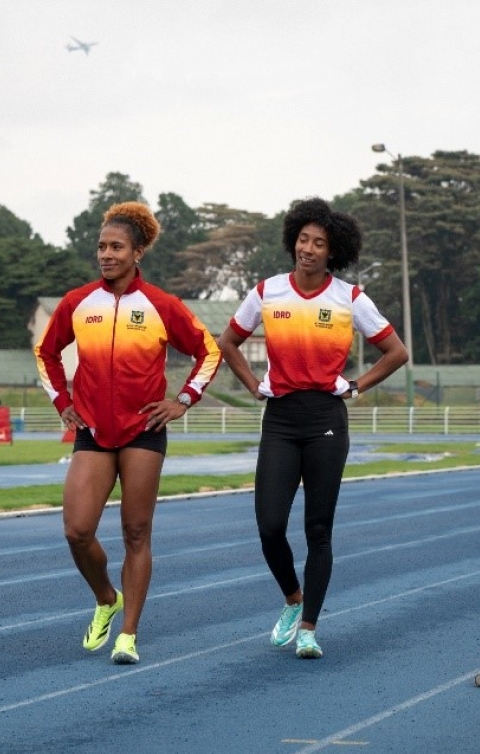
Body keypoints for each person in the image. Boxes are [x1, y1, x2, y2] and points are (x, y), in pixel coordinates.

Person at [218, 197, 408, 659]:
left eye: (318, 243)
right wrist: (252, 385)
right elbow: (227, 341)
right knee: (269, 525)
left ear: (332, 251)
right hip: (280, 419)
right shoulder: (267, 292)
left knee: (318, 530)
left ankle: (309, 628)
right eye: (303, 239)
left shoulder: (349, 298)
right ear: (293, 242)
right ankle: (292, 599)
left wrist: (356, 386)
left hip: (326, 419)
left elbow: (396, 352)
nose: (308, 248)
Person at [35, 201, 221, 664]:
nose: (106, 254)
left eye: (117, 247)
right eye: (101, 246)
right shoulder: (79, 303)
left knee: (136, 533)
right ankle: (106, 598)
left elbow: (209, 351)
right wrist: (63, 401)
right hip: (94, 432)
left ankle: (129, 635)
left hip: (144, 430)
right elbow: (46, 352)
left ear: (138, 252)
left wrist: (183, 400)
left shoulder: (161, 305)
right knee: (77, 531)